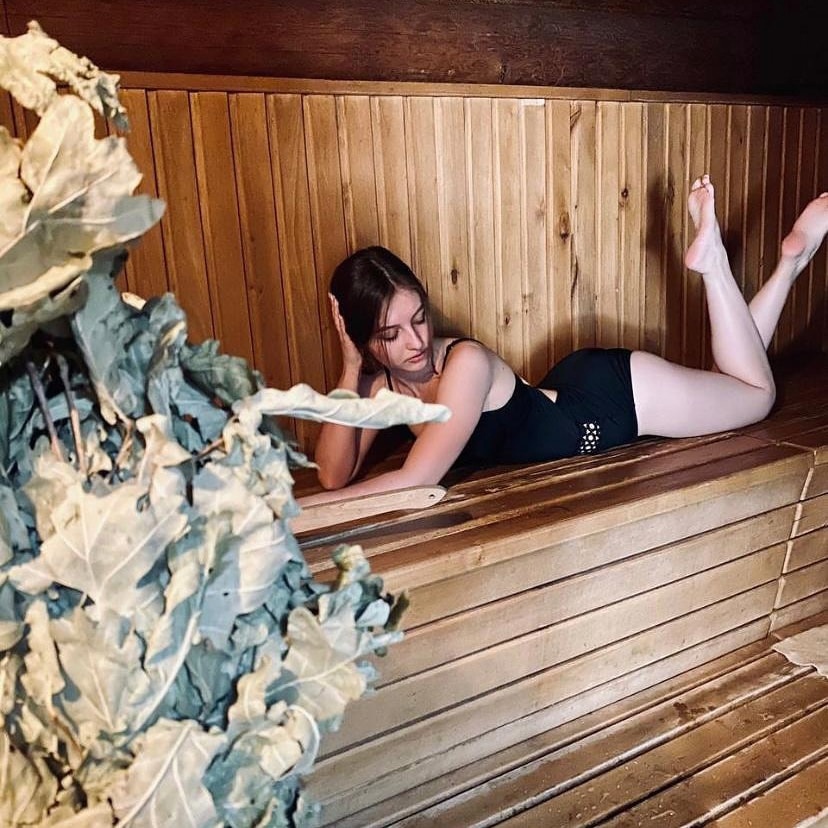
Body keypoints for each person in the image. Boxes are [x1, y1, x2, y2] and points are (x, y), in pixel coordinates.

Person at [301, 175, 828, 507]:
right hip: (573, 389)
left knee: (757, 395)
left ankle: (715, 265)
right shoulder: (379, 390)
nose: (416, 341)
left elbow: (418, 479)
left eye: (419, 318)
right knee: (734, 379)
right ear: (363, 338)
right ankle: (794, 260)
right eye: (390, 334)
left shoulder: (464, 363)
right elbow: (333, 475)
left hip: (612, 403)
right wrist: (349, 369)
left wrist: (296, 519)